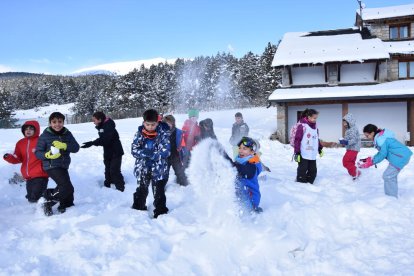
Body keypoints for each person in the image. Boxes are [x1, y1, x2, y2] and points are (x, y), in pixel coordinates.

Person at [35, 112, 80, 215]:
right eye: (54, 122)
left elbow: (76, 148)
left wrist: (64, 145)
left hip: (63, 165)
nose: (57, 124)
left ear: (63, 122)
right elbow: (38, 153)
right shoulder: (45, 135)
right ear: (50, 123)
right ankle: (48, 197)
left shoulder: (67, 133)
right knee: (66, 187)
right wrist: (47, 155)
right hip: (51, 166)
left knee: (67, 187)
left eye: (60, 121)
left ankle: (66, 205)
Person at [131, 109, 170, 218]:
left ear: (157, 123)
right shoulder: (139, 133)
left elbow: (166, 151)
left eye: (153, 124)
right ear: (144, 123)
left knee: (159, 192)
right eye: (147, 124)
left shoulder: (163, 133)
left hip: (159, 169)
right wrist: (143, 152)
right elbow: (134, 150)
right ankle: (138, 209)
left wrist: (153, 155)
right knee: (141, 190)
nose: (150, 127)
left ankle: (161, 212)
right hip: (143, 167)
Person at [359, 124, 412, 198]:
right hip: (400, 156)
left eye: (367, 135)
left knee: (387, 176)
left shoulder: (380, 139)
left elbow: (382, 154)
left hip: (400, 157)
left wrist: (371, 162)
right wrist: (370, 159)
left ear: (372, 133)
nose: (367, 137)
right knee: (390, 176)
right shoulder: (381, 137)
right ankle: (392, 195)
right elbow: (382, 152)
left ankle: (391, 198)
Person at [3, 120, 48, 202]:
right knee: (30, 197)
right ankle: (37, 210)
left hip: (40, 174)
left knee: (37, 196)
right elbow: (18, 158)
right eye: (26, 129)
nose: (28, 130)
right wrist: (8, 157)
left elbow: (48, 154)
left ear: (36, 130)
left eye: (31, 129)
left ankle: (44, 210)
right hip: (28, 176)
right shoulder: (20, 143)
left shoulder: (41, 140)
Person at [80, 111, 125, 192]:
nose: (93, 122)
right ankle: (107, 185)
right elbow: (103, 139)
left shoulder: (109, 126)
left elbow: (105, 140)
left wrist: (92, 143)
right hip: (108, 151)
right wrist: (92, 143)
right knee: (107, 169)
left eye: (94, 120)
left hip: (116, 151)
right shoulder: (102, 126)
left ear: (100, 119)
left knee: (114, 170)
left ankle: (120, 188)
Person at [293, 109, 323, 184]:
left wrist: (320, 148)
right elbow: (297, 140)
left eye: (316, 118)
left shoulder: (316, 128)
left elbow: (316, 139)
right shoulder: (302, 126)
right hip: (303, 153)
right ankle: (301, 183)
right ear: (308, 117)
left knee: (313, 170)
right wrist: (297, 152)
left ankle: (309, 183)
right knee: (302, 169)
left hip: (312, 153)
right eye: (314, 118)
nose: (315, 119)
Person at [234, 136, 263, 213]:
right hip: (240, 195)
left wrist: (228, 162)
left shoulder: (252, 164)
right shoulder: (240, 161)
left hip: (250, 200)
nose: (241, 150)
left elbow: (243, 170)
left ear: (252, 152)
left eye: (244, 149)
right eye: (240, 148)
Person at [163, 115, 189, 186]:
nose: (168, 125)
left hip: (175, 156)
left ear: (173, 123)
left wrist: (185, 155)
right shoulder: (161, 133)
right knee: (163, 174)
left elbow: (183, 145)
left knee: (180, 173)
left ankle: (184, 184)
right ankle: (160, 187)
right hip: (165, 157)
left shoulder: (179, 132)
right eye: (166, 123)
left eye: (169, 123)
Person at [339, 113, 361, 180]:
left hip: (353, 149)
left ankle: (356, 173)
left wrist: (347, 142)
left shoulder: (353, 129)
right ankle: (353, 174)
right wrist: (343, 141)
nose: (344, 124)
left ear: (350, 122)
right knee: (351, 162)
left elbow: (354, 140)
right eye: (344, 123)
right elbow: (349, 138)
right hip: (351, 148)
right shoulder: (349, 129)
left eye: (346, 122)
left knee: (346, 161)